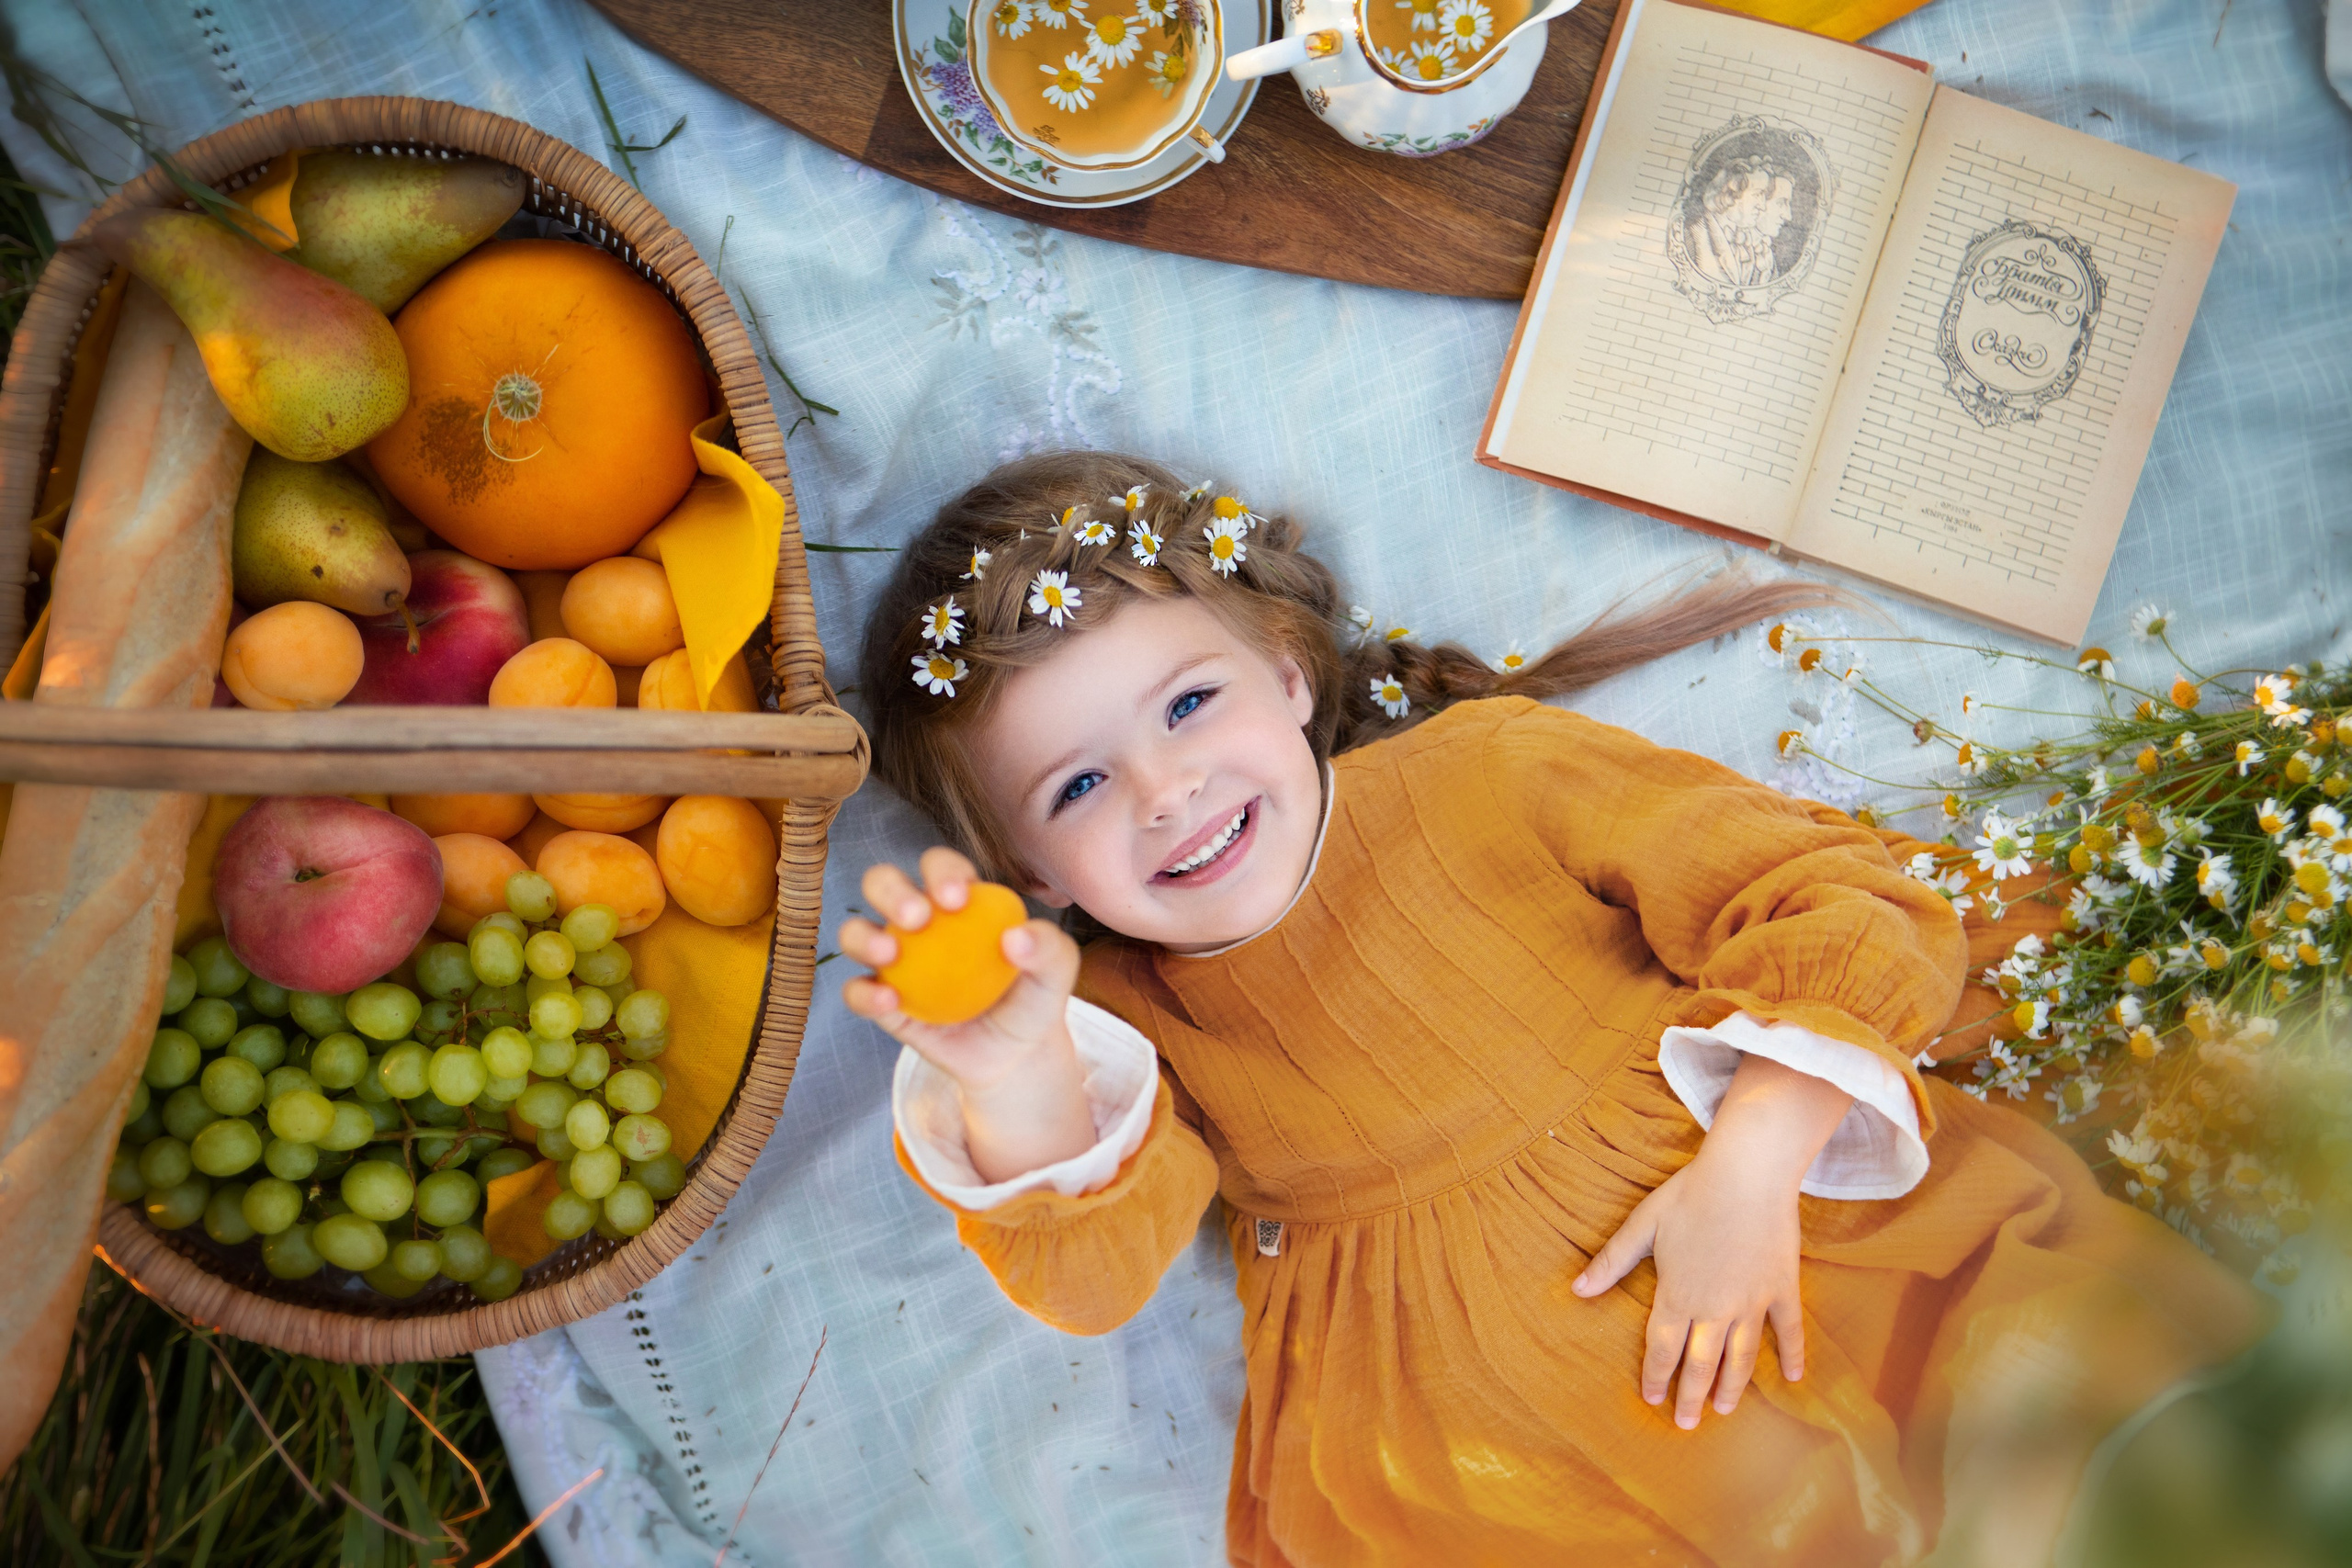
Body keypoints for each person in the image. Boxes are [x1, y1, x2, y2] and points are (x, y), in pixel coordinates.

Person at [838, 451, 2261, 1565]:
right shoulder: (1123, 1015)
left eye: (1190, 703)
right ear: (1032, 869)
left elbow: (1828, 897)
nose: (1166, 790)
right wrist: (1017, 1065)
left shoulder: (1488, 773)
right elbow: (1097, 1270)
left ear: (1285, 673)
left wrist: (1754, 1161)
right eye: (1078, 787)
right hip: (1503, 1467)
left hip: (1808, 1241)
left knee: (2103, 1459)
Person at [1686, 154, 1797, 289]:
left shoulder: (1750, 247)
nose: (1762, 206)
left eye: (1764, 196)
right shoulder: (1694, 234)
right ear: (1733, 192)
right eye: (1757, 194)